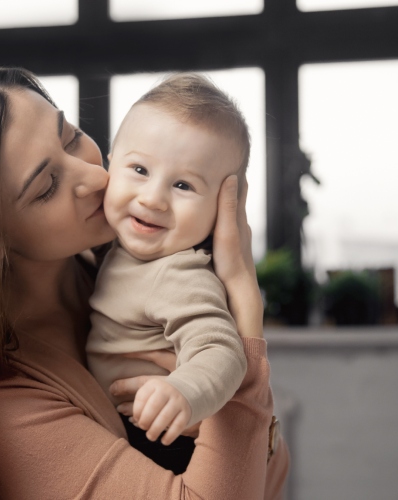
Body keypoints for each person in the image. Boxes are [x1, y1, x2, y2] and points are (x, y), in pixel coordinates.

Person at [0, 65, 289, 499]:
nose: (95, 176)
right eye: (46, 186)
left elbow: (270, 476)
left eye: (70, 137)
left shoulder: (126, 268)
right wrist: (245, 312)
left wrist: (215, 404)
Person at [86, 74, 251, 472]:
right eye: (139, 169)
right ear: (111, 163)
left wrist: (182, 392)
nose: (153, 198)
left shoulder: (179, 274)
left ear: (221, 208)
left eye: (182, 185)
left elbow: (221, 350)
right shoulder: (115, 248)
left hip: (163, 441)